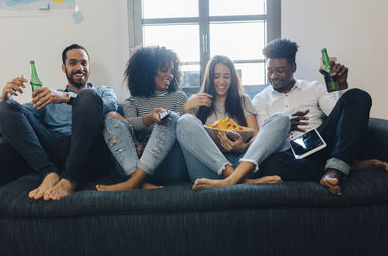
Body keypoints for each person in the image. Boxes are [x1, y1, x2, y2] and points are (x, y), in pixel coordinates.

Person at [0, 44, 118, 200]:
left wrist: (66, 97)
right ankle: (49, 173)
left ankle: (70, 178)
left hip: (88, 151)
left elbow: (110, 106)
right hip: (55, 149)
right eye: (73, 63)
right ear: (63, 67)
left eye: (84, 63)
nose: (80, 67)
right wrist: (6, 98)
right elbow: (17, 114)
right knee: (3, 108)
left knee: (87, 96)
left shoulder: (102, 91)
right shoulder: (50, 96)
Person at [252, 38, 373, 196]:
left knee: (358, 96)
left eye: (280, 70)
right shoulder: (260, 99)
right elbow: (264, 140)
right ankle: (342, 167)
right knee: (270, 164)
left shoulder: (313, 88)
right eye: (269, 70)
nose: (273, 75)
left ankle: (337, 167)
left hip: (318, 142)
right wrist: (285, 126)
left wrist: (341, 86)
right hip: (289, 151)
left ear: (293, 67)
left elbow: (339, 116)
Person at [176, 55, 291, 189]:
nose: (221, 81)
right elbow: (190, 139)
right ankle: (241, 181)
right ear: (209, 78)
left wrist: (243, 146)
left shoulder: (243, 100)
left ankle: (230, 180)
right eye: (216, 76)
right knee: (184, 120)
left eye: (226, 76)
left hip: (241, 164)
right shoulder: (196, 102)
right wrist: (186, 109)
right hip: (207, 170)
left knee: (282, 119)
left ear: (232, 78)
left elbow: (256, 137)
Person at [96, 46, 189, 191]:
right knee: (110, 117)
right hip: (133, 163)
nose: (170, 75)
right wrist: (149, 120)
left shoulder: (179, 97)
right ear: (147, 71)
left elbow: (183, 131)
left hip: (170, 164)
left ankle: (132, 183)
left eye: (172, 71)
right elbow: (129, 124)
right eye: (164, 70)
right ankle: (140, 181)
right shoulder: (132, 101)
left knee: (172, 118)